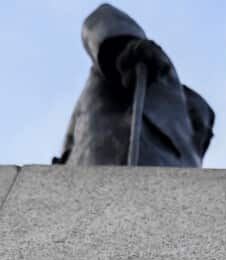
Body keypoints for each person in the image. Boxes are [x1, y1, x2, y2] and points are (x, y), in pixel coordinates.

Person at [53, 4, 214, 167]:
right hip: (109, 159)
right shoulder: (155, 77)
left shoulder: (189, 149)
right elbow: (102, 18)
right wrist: (124, 44)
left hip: (172, 178)